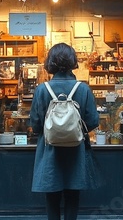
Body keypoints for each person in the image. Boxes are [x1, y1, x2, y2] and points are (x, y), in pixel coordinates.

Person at [30, 43, 101, 220]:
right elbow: (92, 121)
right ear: (73, 61)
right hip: (76, 151)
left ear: (50, 62)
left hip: (49, 152)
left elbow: (36, 124)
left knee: (51, 197)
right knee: (72, 196)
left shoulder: (42, 90)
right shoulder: (83, 89)